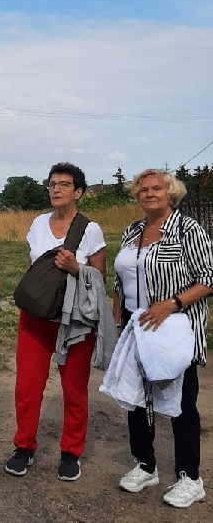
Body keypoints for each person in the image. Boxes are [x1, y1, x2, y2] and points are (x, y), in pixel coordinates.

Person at [112, 169, 213, 508]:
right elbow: (120, 279)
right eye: (143, 189)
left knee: (180, 401)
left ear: (171, 193)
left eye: (157, 188)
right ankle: (145, 465)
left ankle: (190, 478)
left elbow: (208, 278)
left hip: (173, 327)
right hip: (136, 326)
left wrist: (171, 304)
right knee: (137, 398)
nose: (149, 193)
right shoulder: (133, 231)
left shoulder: (188, 229)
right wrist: (117, 320)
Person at [5, 163, 106, 481]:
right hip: (36, 318)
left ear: (79, 192)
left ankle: (71, 452)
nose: (56, 189)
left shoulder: (90, 229)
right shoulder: (38, 224)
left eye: (64, 184)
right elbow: (31, 267)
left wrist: (77, 268)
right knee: (27, 386)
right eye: (52, 184)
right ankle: (24, 446)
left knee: (74, 388)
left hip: (74, 320)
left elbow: (100, 278)